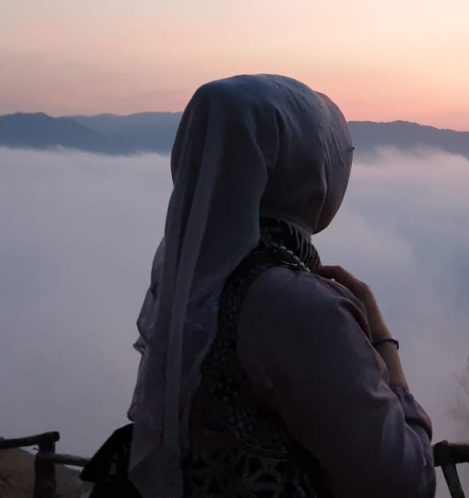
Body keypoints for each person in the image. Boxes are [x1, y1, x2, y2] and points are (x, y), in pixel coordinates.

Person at [125, 74, 436, 497]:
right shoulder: (295, 305)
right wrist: (383, 340)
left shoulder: (190, 281)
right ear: (310, 172)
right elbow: (403, 482)